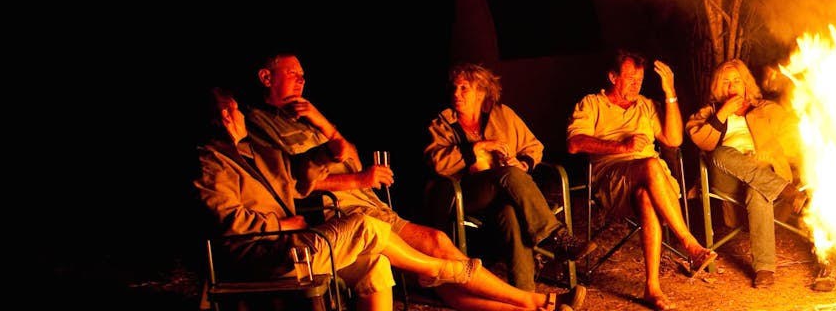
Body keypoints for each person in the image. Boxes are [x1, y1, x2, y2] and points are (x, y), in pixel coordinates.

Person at [195, 86, 589, 311]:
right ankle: (480, 277)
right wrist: (284, 223)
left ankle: (533, 305)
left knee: (378, 266)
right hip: (274, 249)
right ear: (227, 117)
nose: (301, 81)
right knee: (400, 238)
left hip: (318, 229)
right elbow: (234, 221)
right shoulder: (215, 163)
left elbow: (299, 173)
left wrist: (327, 138)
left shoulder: (253, 151)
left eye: (465, 88)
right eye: (294, 75)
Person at [245, 52, 514, 306]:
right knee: (437, 243)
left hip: (364, 201)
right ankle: (527, 300)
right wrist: (359, 180)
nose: (301, 80)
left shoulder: (303, 118)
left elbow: (351, 158)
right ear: (266, 78)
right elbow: (290, 187)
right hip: (337, 212)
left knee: (440, 273)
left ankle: (521, 306)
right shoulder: (257, 126)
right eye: (292, 73)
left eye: (303, 74)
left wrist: (322, 122)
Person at [566, 49, 717, 311]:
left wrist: (669, 91)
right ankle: (689, 244)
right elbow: (574, 143)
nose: (636, 85)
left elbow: (674, 139)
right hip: (613, 180)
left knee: (647, 194)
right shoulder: (591, 104)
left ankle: (652, 288)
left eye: (640, 79)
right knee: (650, 163)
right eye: (630, 78)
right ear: (613, 77)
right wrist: (621, 147)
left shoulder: (646, 106)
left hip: (655, 183)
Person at [424, 62, 594, 290]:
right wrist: (477, 147)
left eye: (464, 88)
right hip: (466, 194)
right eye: (454, 88)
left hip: (504, 196)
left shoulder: (503, 115)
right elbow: (437, 163)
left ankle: (524, 295)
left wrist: (524, 163)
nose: (457, 93)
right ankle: (555, 236)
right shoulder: (443, 124)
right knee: (508, 175)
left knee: (511, 214)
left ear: (481, 92)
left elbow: (534, 146)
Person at [685, 59, 806, 289]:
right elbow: (701, 140)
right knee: (720, 153)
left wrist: (766, 156)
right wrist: (723, 113)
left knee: (757, 190)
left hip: (763, 171)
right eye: (726, 82)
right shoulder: (710, 112)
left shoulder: (766, 109)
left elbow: (793, 137)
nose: (732, 87)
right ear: (719, 87)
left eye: (737, 81)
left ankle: (764, 269)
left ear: (746, 84)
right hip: (727, 177)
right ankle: (784, 189)